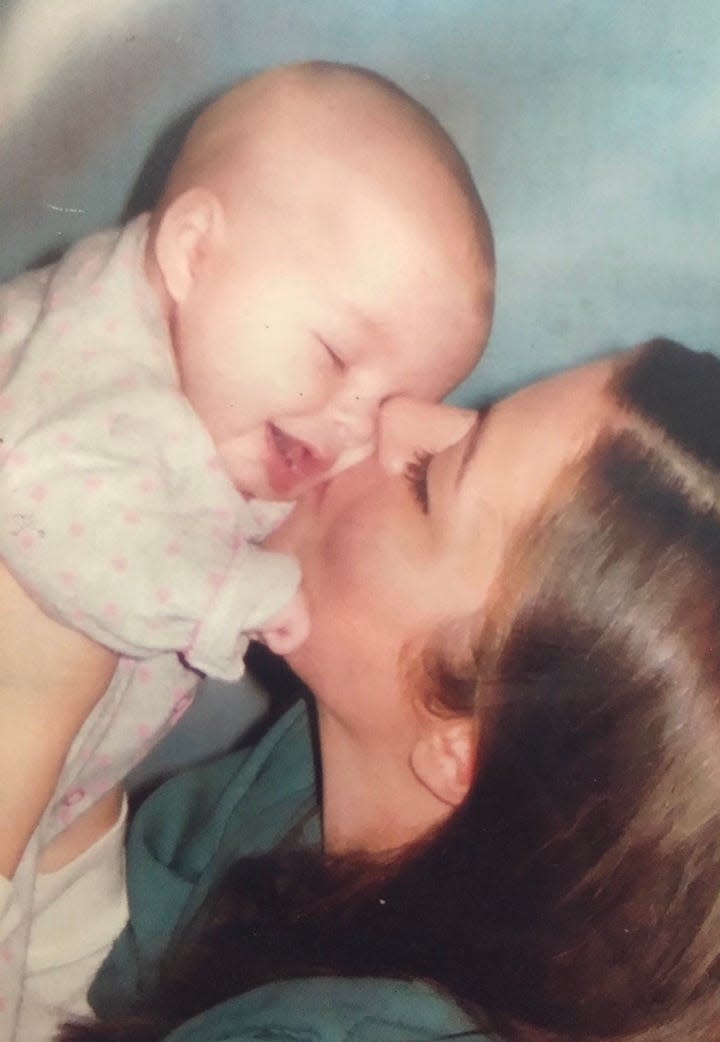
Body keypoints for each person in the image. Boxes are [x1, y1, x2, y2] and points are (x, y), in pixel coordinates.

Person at [10, 338, 720, 1040]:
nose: (395, 412)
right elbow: (103, 975)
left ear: (460, 752)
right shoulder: (325, 771)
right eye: (480, 412)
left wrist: (29, 711)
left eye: (428, 480)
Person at [0, 61, 493, 1040]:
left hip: (63, 802)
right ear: (193, 250)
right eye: (337, 355)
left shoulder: (222, 379)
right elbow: (41, 497)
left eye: (391, 399)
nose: (355, 429)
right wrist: (236, 595)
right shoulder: (92, 367)